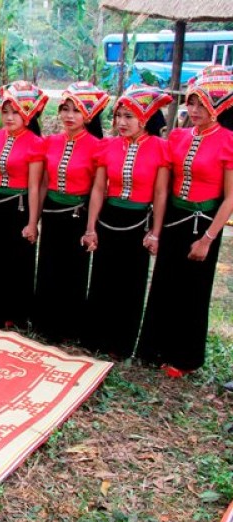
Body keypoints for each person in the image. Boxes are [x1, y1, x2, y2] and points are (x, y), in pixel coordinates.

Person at [137, 67, 233, 377]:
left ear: (217, 106)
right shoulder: (177, 137)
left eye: (201, 105)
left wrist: (208, 238)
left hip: (204, 221)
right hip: (175, 218)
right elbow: (163, 188)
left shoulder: (228, 141)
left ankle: (184, 357)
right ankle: (154, 348)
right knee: (165, 283)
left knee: (193, 290)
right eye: (190, 103)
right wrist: (157, 229)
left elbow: (230, 198)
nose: (193, 110)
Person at [81, 85, 171, 359]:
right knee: (102, 279)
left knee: (130, 283)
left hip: (138, 221)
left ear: (145, 118)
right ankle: (95, 337)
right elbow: (98, 189)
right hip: (110, 218)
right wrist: (91, 227)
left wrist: (155, 232)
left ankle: (120, 344)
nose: (121, 122)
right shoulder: (108, 146)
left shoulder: (160, 149)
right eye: (118, 116)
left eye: (128, 117)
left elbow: (160, 193)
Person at [32, 82, 108, 342]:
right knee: (48, 266)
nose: (68, 116)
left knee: (73, 271)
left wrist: (91, 227)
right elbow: (42, 183)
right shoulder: (50, 142)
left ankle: (67, 327)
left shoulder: (98, 146)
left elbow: (98, 189)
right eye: (65, 109)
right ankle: (43, 322)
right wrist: (35, 217)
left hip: (78, 213)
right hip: (52, 211)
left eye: (75, 110)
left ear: (88, 114)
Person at [0, 81, 47, 328]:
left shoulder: (35, 143)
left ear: (28, 113)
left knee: (17, 261)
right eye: (5, 112)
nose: (9, 117)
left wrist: (32, 223)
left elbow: (35, 186)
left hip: (20, 207)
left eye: (15, 112)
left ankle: (14, 315)